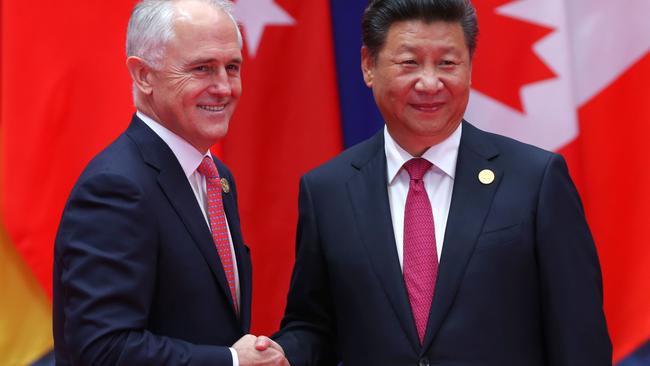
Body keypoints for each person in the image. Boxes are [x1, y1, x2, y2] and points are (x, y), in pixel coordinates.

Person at [266, 0, 612, 364]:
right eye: (409, 63)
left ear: (470, 67)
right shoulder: (328, 191)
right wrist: (281, 355)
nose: (430, 83)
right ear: (369, 65)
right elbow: (315, 326)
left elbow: (579, 337)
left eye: (447, 63)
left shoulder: (536, 181)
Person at [52, 0, 287, 365]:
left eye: (232, 67)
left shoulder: (217, 178)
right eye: (202, 68)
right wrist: (231, 361)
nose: (224, 87)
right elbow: (101, 350)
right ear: (143, 75)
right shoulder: (115, 188)